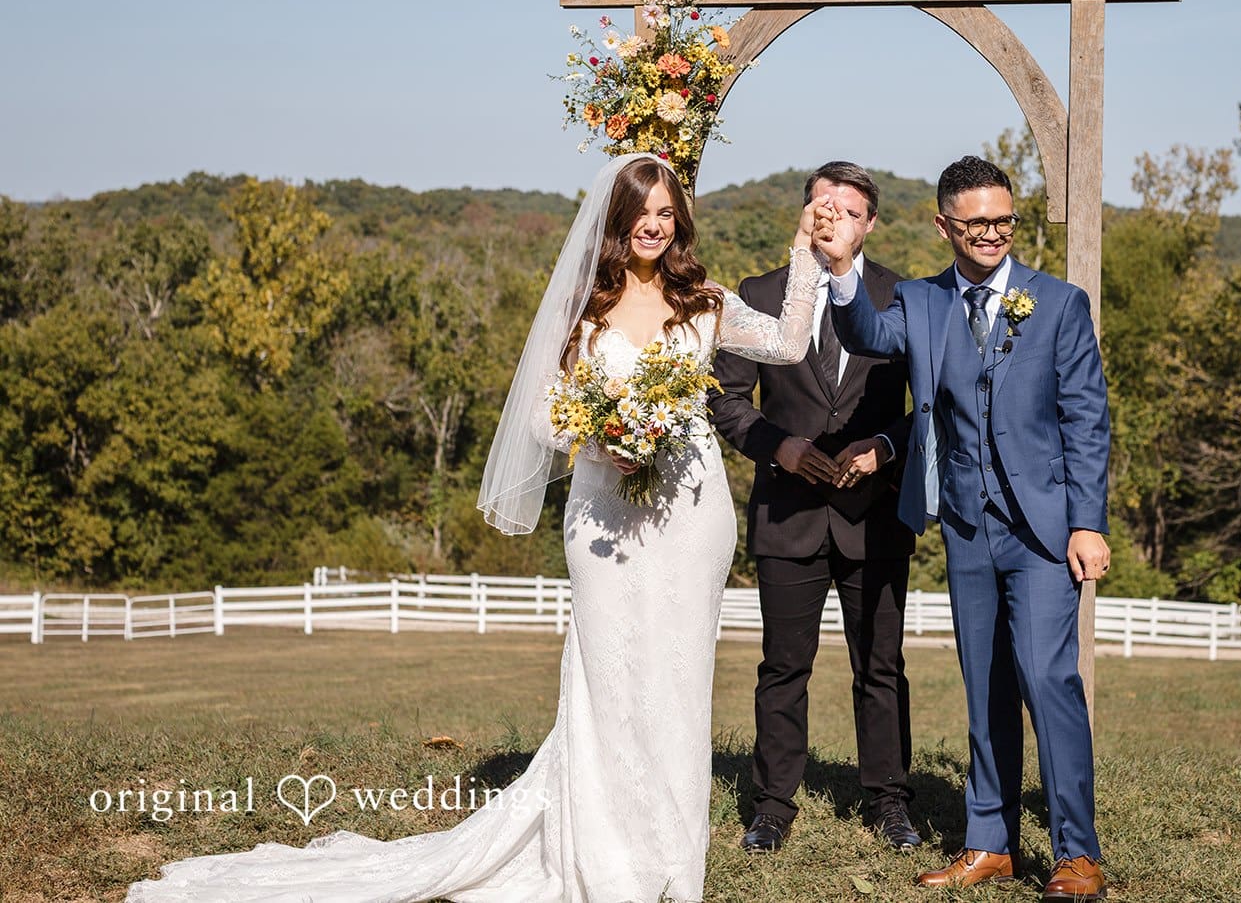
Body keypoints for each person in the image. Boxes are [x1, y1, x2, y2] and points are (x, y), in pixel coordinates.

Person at [127, 153, 836, 903]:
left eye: (666, 212)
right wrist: (603, 442)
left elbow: (789, 345)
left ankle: (667, 855)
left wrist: (802, 248)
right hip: (603, 515)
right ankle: (603, 854)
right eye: (640, 213)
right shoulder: (584, 310)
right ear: (615, 222)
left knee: (681, 679)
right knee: (609, 675)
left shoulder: (708, 302)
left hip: (693, 516)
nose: (654, 225)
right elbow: (539, 414)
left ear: (680, 219)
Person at [814, 155, 1112, 902]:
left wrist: (1087, 523)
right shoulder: (919, 300)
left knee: (1049, 680)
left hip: (1045, 528)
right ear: (944, 223)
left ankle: (1077, 852)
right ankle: (990, 841)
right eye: (977, 221)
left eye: (1004, 219)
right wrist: (842, 266)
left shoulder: (1060, 303)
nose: (993, 233)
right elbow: (864, 331)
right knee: (984, 686)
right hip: (967, 528)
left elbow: (1086, 422)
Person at [707, 161, 918, 854]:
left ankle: (890, 802)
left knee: (881, 667)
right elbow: (728, 401)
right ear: (805, 213)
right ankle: (771, 806)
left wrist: (886, 448)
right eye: (824, 206)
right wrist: (780, 447)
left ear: (870, 224)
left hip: (875, 512)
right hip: (788, 511)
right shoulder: (758, 293)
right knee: (782, 667)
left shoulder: (903, 297)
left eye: (851, 210)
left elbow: (927, 410)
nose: (836, 220)